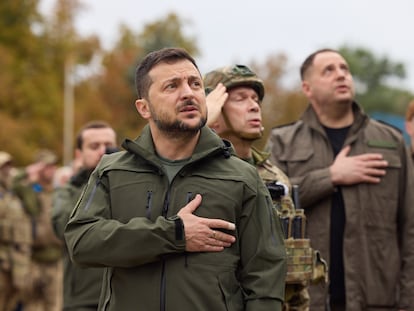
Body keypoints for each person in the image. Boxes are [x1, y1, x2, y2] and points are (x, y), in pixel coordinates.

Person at [64, 47, 287, 311]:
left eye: (195, 84)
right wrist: (175, 233)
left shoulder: (242, 177)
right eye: (172, 86)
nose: (189, 93)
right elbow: (81, 242)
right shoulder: (112, 171)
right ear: (144, 108)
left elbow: (266, 276)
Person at [266, 48, 414, 311]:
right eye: (329, 70)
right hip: (308, 300)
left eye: (344, 69)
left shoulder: (391, 142)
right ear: (307, 88)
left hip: (379, 301)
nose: (341, 75)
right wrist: (331, 176)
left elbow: (410, 226)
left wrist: (409, 301)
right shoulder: (283, 142)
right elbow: (268, 209)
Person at [204, 64, 327, 311]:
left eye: (255, 99)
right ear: (214, 115)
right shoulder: (202, 174)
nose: (254, 106)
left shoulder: (274, 176)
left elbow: (292, 263)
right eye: (240, 99)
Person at [52, 120, 117, 311]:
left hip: (123, 295)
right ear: (79, 155)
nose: (103, 151)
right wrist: (90, 182)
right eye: (94, 146)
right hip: (84, 299)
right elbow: (64, 227)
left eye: (109, 146)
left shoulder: (129, 186)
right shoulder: (68, 191)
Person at [12, 149, 63, 311]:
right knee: (32, 305)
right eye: (47, 166)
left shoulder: (59, 192)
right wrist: (28, 171)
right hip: (34, 259)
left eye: (53, 166)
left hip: (56, 259)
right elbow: (13, 183)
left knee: (54, 305)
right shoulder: (30, 191)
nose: (51, 170)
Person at [0, 151, 32, 311]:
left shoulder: (13, 193)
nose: (6, 171)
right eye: (3, 167)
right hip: (3, 257)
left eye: (8, 167)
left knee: (13, 298)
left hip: (16, 258)